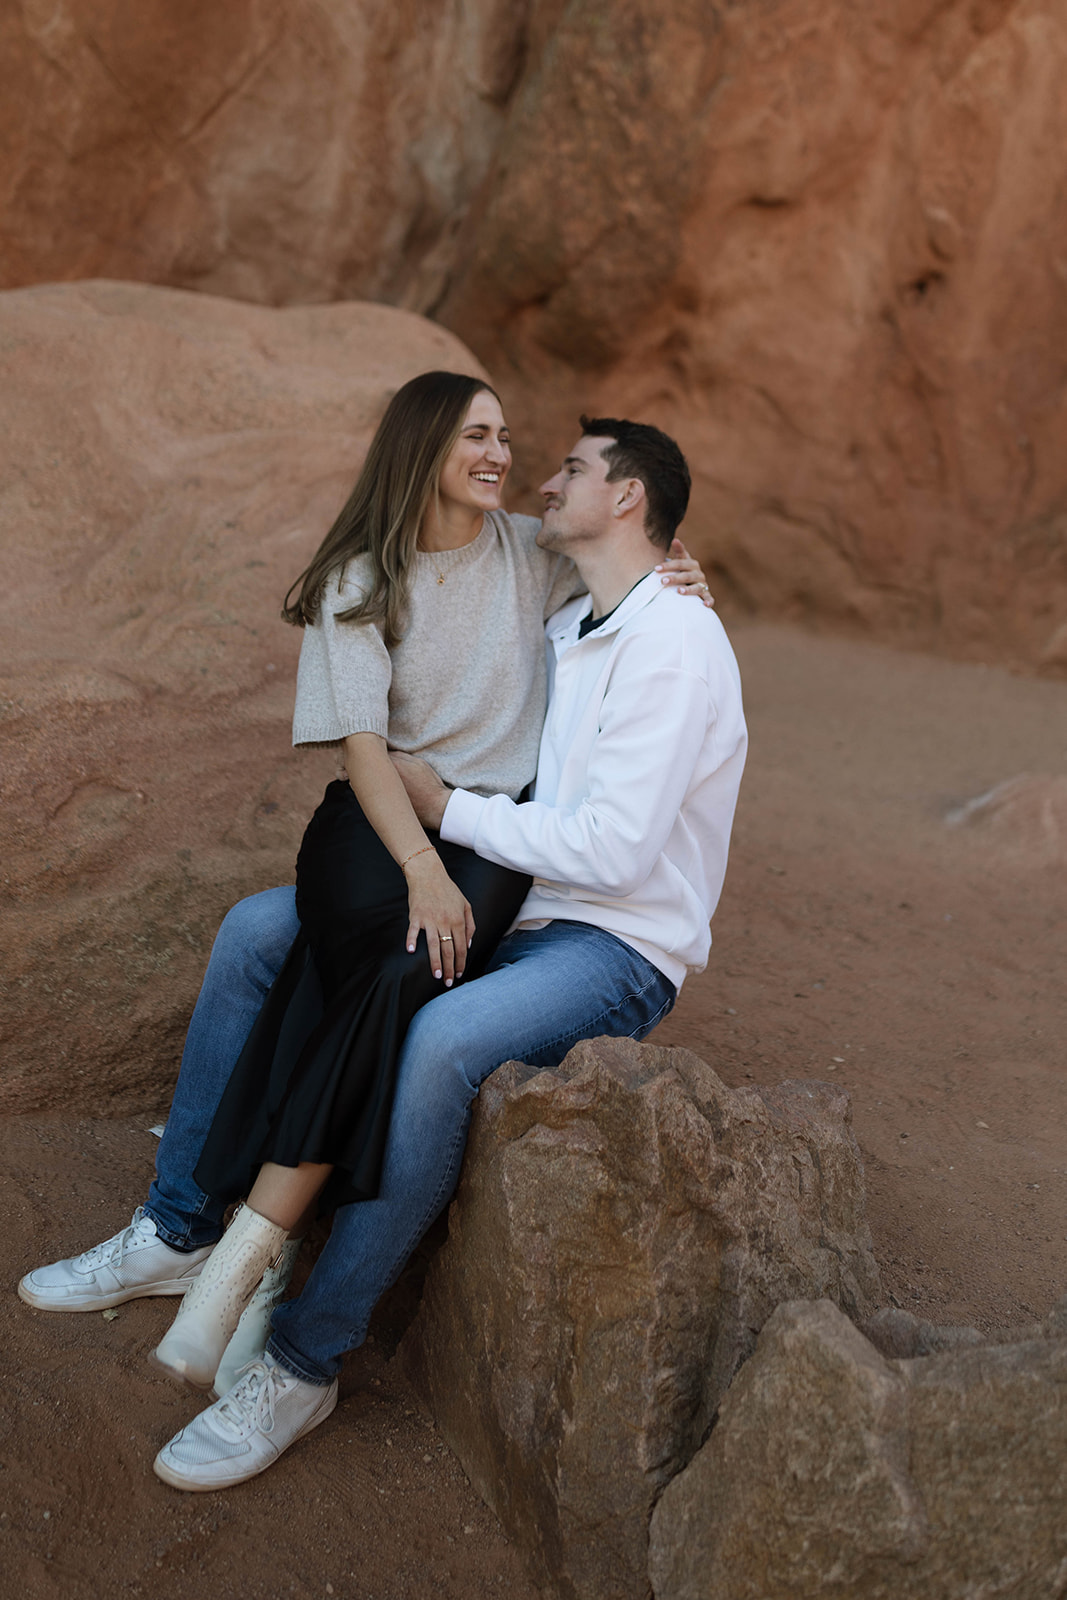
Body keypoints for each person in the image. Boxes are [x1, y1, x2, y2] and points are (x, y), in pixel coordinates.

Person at [18, 397, 720, 1461]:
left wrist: (450, 817)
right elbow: (402, 713)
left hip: (607, 942)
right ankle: (177, 1224)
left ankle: (302, 1360)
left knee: (432, 1040)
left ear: (619, 497)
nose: (533, 474)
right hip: (514, 894)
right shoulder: (570, 612)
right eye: (484, 438)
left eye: (564, 468)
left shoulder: (668, 638)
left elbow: (617, 852)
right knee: (257, 933)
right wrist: (430, 853)